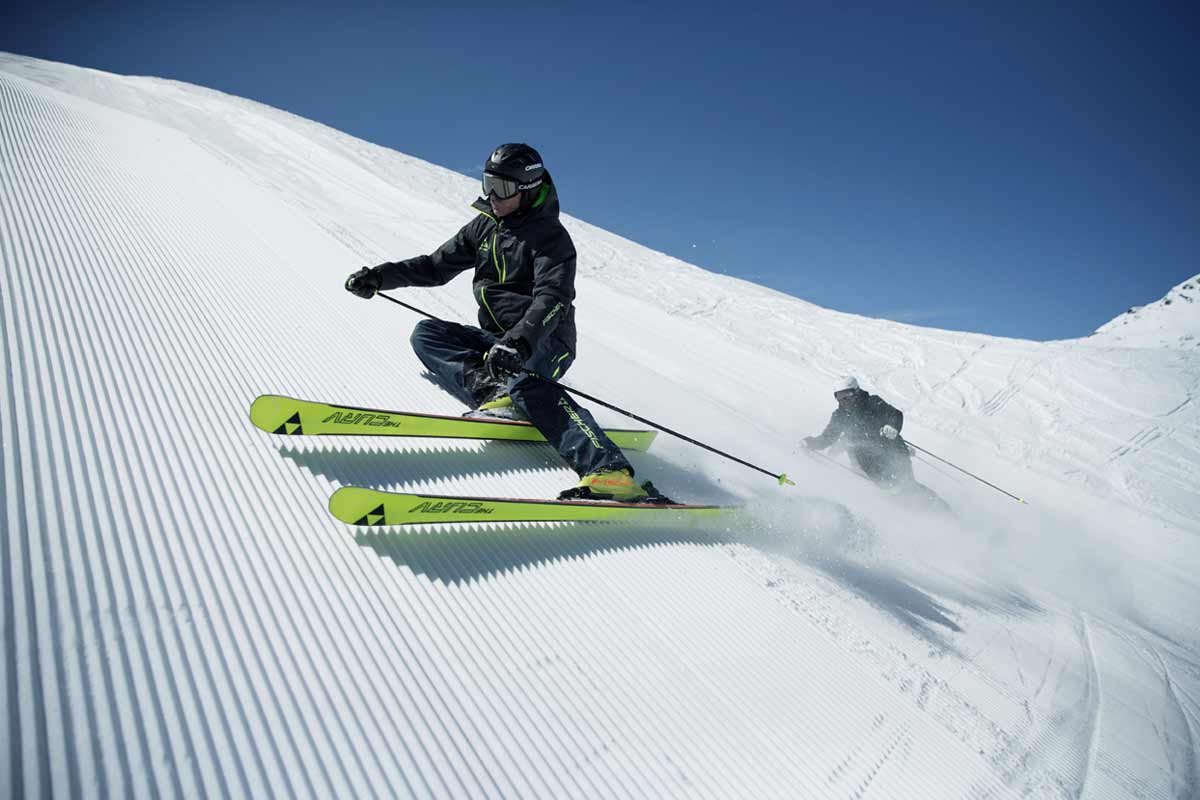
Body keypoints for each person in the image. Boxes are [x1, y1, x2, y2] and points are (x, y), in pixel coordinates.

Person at [344, 143, 656, 502]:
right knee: (427, 334)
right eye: (487, 182)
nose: (492, 195)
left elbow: (553, 298)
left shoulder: (551, 238)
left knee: (527, 383)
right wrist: (380, 278)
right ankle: (494, 392)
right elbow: (434, 267)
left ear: (527, 190)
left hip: (544, 339)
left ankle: (610, 472)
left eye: (503, 188)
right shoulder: (484, 227)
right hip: (497, 342)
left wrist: (520, 343)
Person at [801, 376, 918, 489]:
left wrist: (893, 427)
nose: (844, 400)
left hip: (891, 451)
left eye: (847, 395)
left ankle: (924, 500)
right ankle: (890, 495)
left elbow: (895, 414)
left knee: (906, 485)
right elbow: (827, 438)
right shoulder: (840, 416)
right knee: (883, 488)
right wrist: (810, 443)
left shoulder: (873, 402)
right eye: (839, 396)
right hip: (865, 461)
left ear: (856, 392)